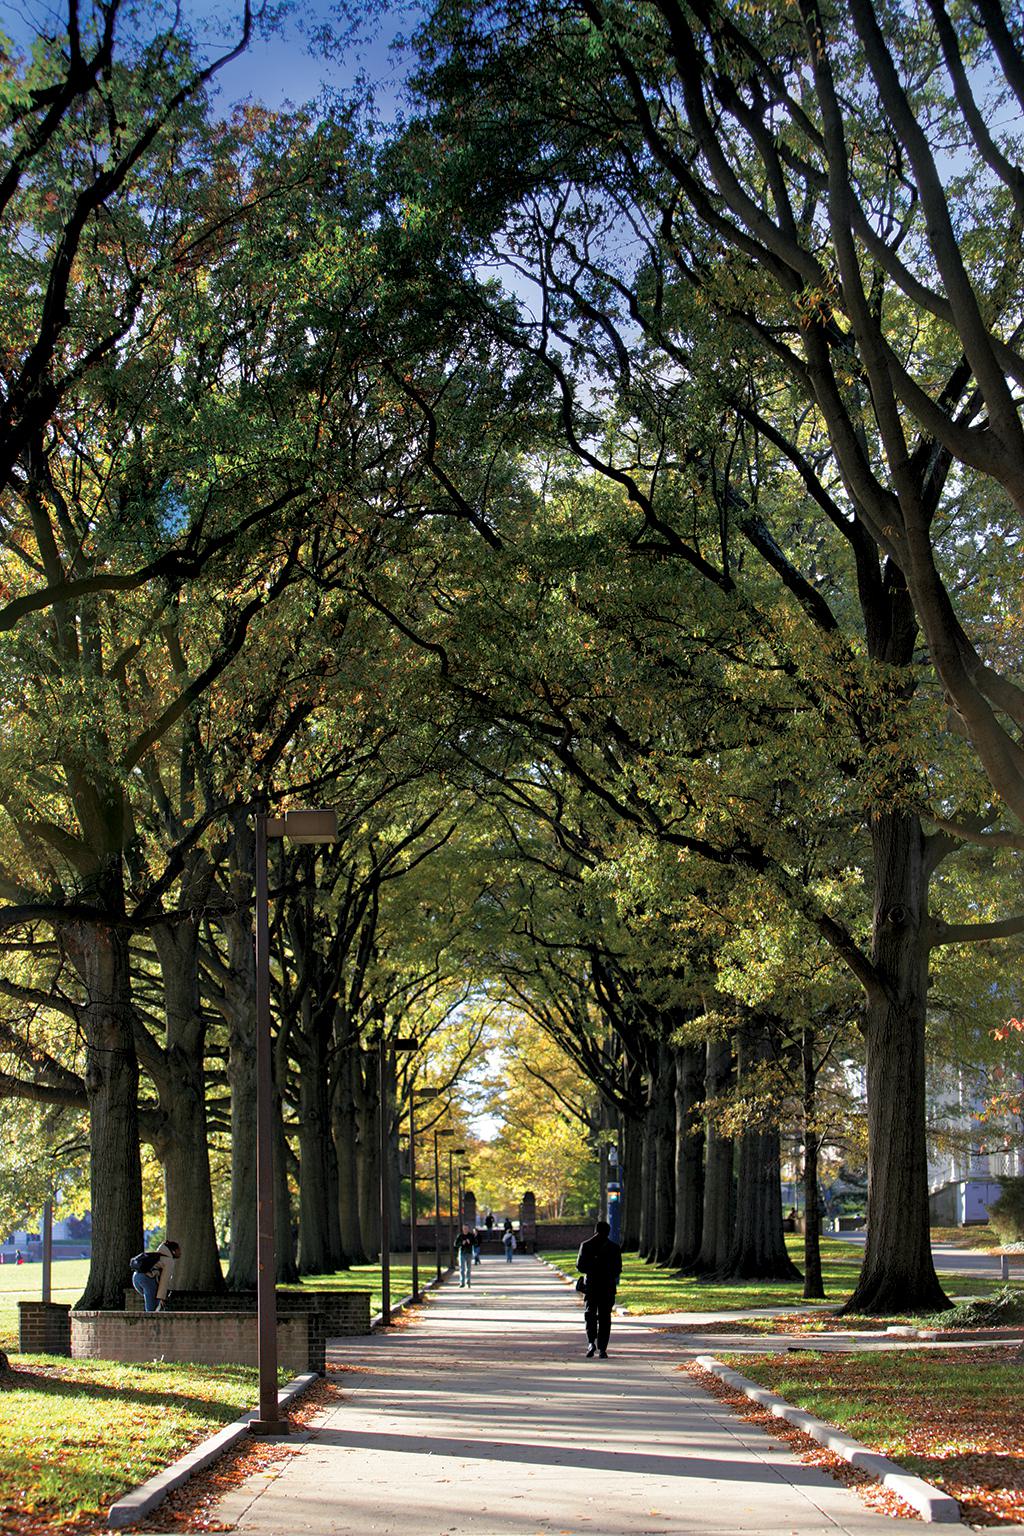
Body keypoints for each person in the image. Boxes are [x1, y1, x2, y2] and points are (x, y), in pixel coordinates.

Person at [576, 1219, 622, 1359]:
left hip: (591, 1286)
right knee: (605, 1318)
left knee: (590, 1314)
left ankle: (591, 1342)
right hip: (607, 1286)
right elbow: (617, 1269)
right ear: (608, 1232)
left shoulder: (586, 1245)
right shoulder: (614, 1248)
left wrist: (593, 1267)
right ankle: (603, 1348)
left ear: (595, 1230)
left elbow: (580, 1267)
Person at [131, 1239, 181, 1313]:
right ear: (173, 1251)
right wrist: (161, 1298)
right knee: (151, 1309)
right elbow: (164, 1280)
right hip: (147, 1279)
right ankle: (150, 1323)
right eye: (179, 1250)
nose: (180, 1253)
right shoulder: (168, 1260)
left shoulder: (157, 1255)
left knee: (153, 1302)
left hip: (136, 1277)